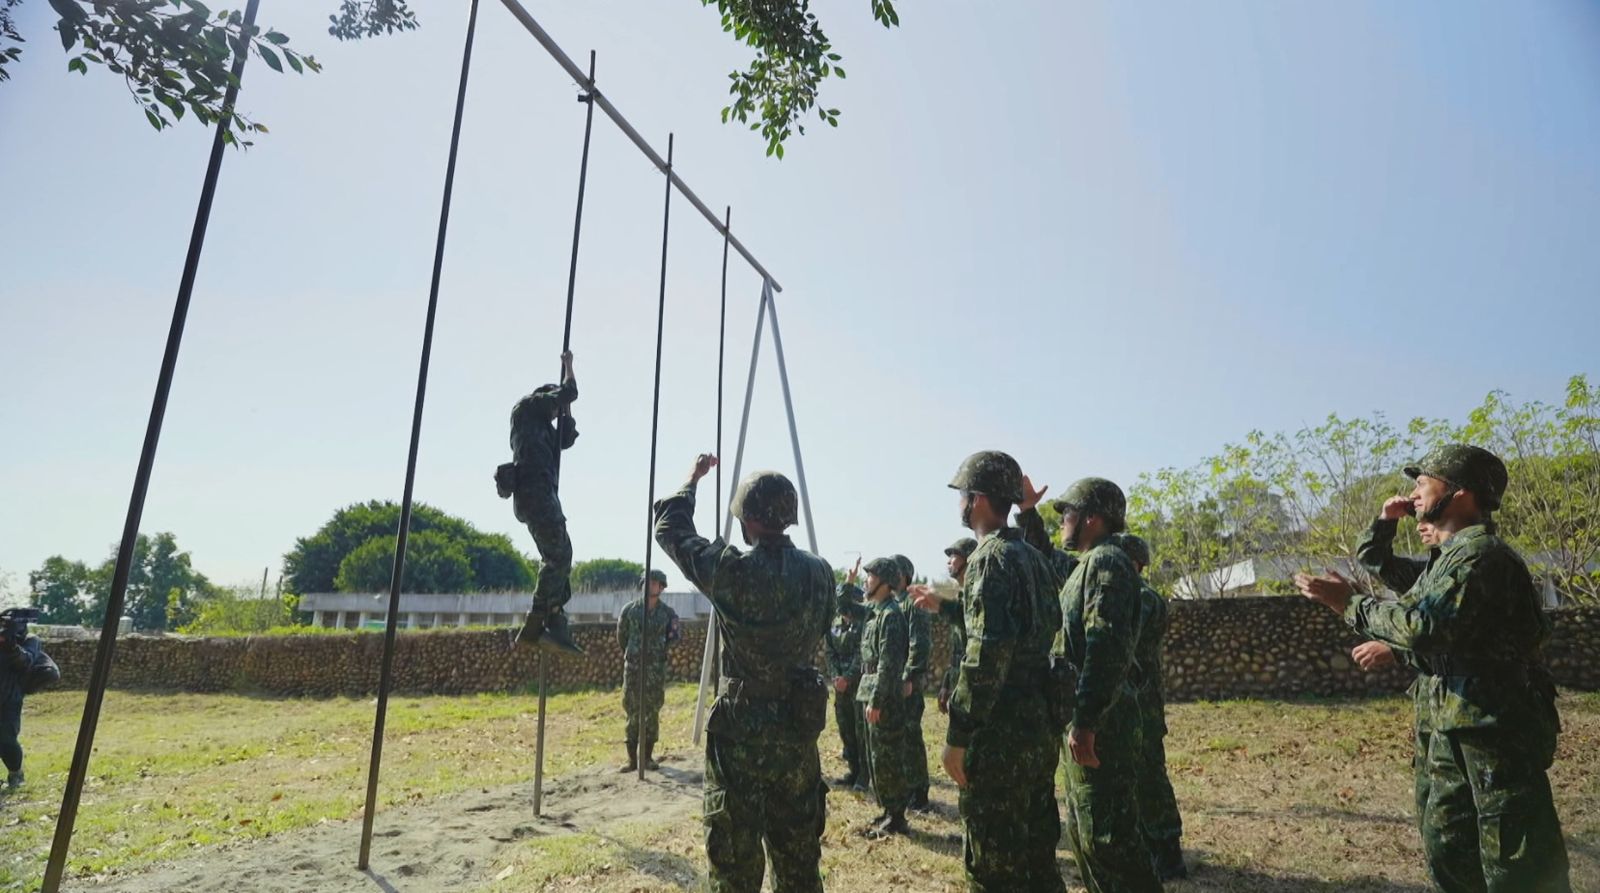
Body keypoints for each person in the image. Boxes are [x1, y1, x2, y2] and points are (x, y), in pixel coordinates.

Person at [1297, 445, 1571, 892]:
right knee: (1449, 849)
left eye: (1423, 482)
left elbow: (1424, 628)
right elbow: (1380, 567)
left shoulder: (1482, 557)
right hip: (1450, 726)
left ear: (1460, 493)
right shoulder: (1447, 563)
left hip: (1494, 732)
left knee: (1517, 865)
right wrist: (1387, 521)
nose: (1414, 493)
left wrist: (1348, 603)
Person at [654, 456, 834, 893]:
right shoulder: (821, 573)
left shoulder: (732, 571)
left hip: (741, 734)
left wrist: (692, 481)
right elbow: (825, 624)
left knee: (734, 864)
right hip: (796, 729)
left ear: (748, 519)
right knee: (798, 862)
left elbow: (669, 529)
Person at [909, 450, 1064, 893]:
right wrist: (948, 608)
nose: (959, 503)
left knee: (994, 866)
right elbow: (1022, 630)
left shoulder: (989, 559)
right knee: (1038, 858)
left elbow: (986, 654)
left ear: (976, 499)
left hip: (1000, 736)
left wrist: (958, 735)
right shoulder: (1032, 557)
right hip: (1037, 725)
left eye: (962, 495)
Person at [1052, 477, 1162, 893]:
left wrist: (1086, 721)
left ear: (1091, 518)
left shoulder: (1107, 563)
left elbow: (1106, 647)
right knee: (1088, 834)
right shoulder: (1089, 564)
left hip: (1105, 723)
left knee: (1110, 836)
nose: (1062, 520)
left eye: (1068, 513)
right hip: (1091, 719)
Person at [1110, 532, 1186, 881]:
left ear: (1136, 564)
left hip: (1143, 704)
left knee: (1149, 777)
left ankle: (1168, 852)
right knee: (1130, 777)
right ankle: (1145, 844)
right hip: (1128, 703)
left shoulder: (1145, 598)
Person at [499, 350, 583, 654]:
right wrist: (569, 367)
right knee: (558, 557)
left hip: (542, 494)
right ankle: (539, 618)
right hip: (535, 493)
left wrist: (566, 412)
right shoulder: (527, 408)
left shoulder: (543, 429)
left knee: (561, 555)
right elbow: (569, 391)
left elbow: (567, 438)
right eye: (555, 408)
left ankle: (553, 619)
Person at [852, 556, 917, 837]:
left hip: (885, 698)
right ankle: (888, 809)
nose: (867, 580)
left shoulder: (891, 616)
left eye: (871, 575)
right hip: (871, 690)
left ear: (884, 582)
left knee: (888, 756)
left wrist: (877, 701)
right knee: (876, 756)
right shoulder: (877, 612)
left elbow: (889, 666)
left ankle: (897, 815)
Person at [617, 568, 681, 773]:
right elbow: (622, 636)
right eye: (647, 582)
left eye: (654, 583)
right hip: (634, 668)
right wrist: (634, 652)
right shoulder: (630, 610)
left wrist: (657, 651)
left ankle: (647, 758)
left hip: (655, 669)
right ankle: (631, 760)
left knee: (652, 711)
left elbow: (675, 637)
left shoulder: (668, 613)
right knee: (632, 709)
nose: (650, 586)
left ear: (661, 587)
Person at [892, 554, 934, 812]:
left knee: (910, 735)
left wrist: (909, 675)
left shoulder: (913, 604)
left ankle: (919, 794)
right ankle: (905, 787)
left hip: (907, 682)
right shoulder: (893, 603)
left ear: (904, 574)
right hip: (893, 681)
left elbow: (920, 644)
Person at [0, 608, 55, 790]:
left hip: (10, 698)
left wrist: (11, 647)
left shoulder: (31, 640)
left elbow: (26, 661)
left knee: (6, 739)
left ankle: (16, 774)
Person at [824, 582, 869, 790]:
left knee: (861, 731)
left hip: (858, 685)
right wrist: (835, 676)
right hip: (840, 686)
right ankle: (853, 769)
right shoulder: (833, 624)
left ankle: (864, 776)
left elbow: (863, 654)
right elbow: (829, 652)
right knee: (845, 728)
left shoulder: (863, 623)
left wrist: (848, 678)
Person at [936, 537, 978, 715]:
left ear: (968, 559)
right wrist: (947, 684)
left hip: (973, 686)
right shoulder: (960, 597)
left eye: (954, 555)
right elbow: (957, 652)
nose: (949, 561)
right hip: (958, 683)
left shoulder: (978, 595)